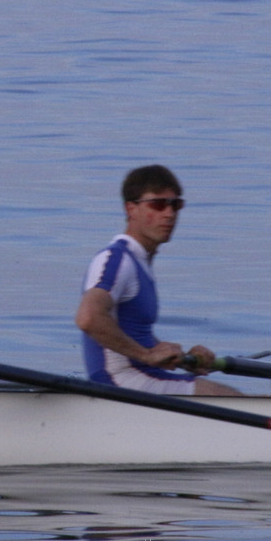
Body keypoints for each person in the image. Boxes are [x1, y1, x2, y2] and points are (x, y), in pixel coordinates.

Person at [76, 165, 241, 396]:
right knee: (226, 397)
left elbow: (136, 336)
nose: (169, 214)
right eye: (158, 204)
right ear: (130, 209)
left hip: (141, 376)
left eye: (175, 205)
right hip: (118, 382)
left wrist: (184, 360)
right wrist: (147, 356)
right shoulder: (116, 259)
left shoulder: (139, 261)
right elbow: (88, 318)